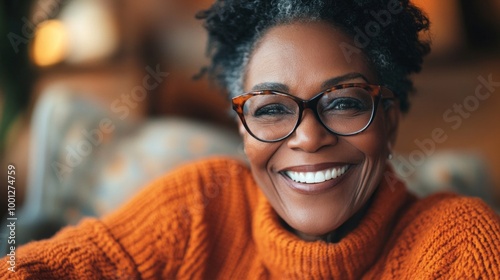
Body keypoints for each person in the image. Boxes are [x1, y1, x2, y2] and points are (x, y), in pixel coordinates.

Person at [2, 0, 499, 279]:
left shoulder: (458, 245)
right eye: (272, 109)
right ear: (242, 131)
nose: (307, 137)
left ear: (388, 120)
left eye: (344, 102)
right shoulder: (198, 209)